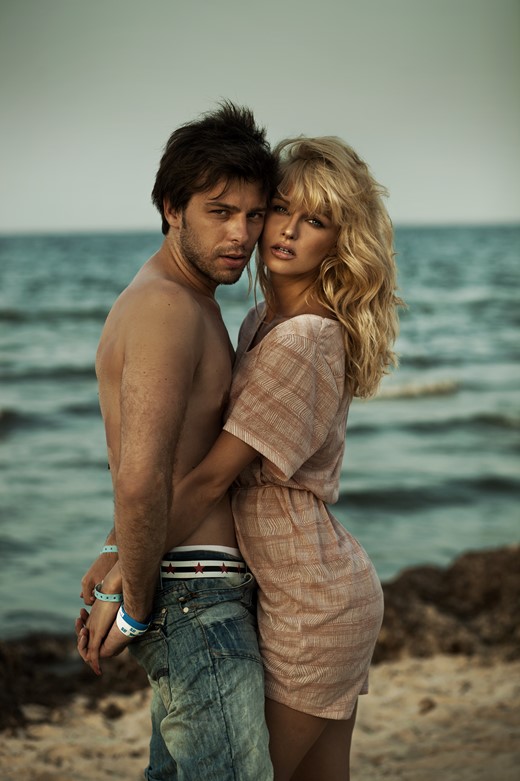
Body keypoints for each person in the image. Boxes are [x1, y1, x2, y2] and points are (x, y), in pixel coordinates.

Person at [84, 135, 403, 779]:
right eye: (279, 209)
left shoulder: (305, 339)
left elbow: (208, 479)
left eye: (315, 220)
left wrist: (122, 579)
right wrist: (118, 546)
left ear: (340, 241)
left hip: (310, 602)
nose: (283, 231)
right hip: (295, 591)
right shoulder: (259, 321)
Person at [76, 101, 276, 781]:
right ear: (172, 209)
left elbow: (168, 459)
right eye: (219, 211)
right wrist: (133, 607)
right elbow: (141, 478)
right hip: (195, 599)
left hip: (190, 592)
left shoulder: (182, 300)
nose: (241, 234)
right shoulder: (167, 307)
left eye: (253, 214)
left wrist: (116, 552)